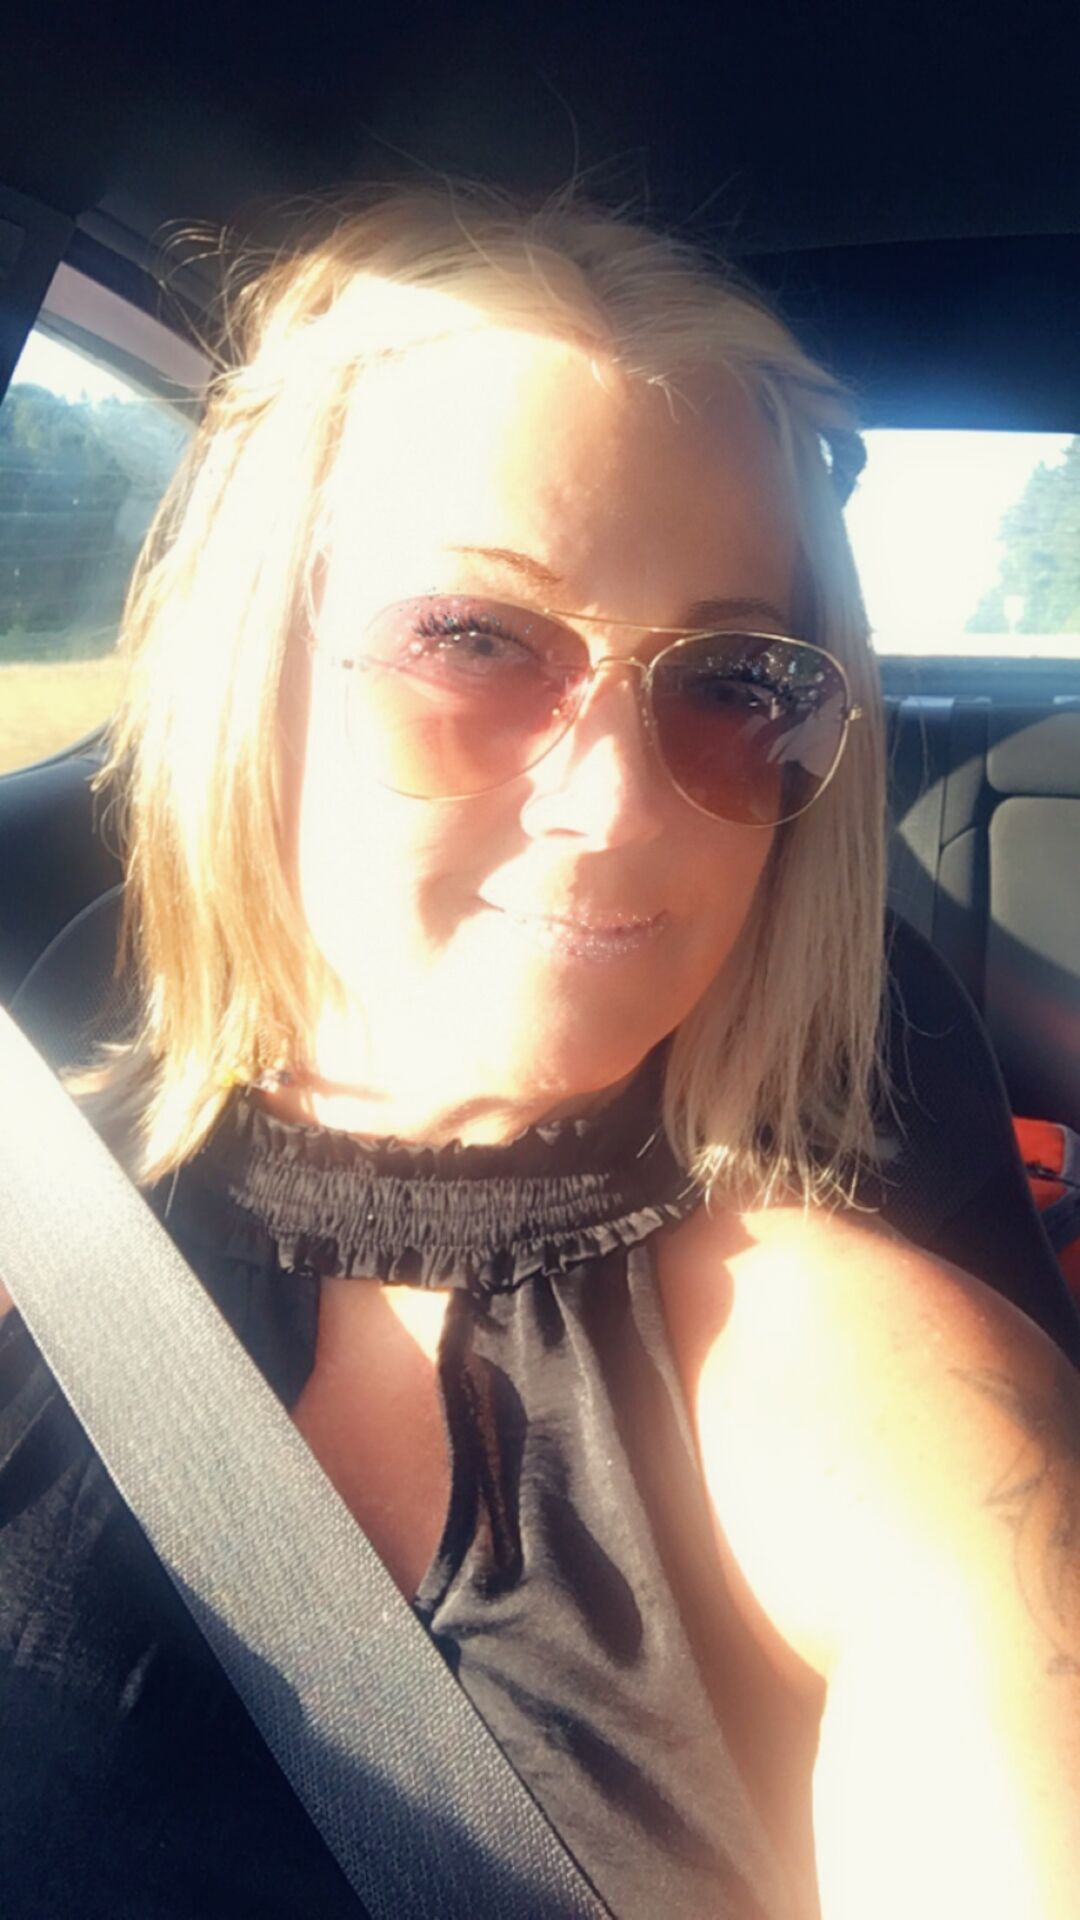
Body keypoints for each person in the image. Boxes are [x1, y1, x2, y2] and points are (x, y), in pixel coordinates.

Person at [1, 174, 1077, 1920]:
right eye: (472, 638)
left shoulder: (876, 1400)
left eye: (733, 682)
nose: (617, 804)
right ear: (248, 666)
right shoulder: (27, 1194)